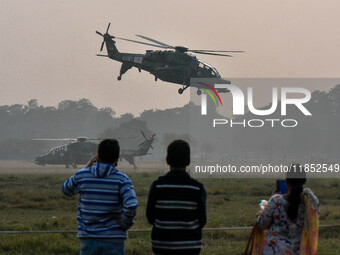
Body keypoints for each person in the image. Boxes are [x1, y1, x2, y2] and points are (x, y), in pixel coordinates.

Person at [62, 139, 138, 255]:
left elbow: (66, 190)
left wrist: (86, 167)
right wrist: (125, 224)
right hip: (114, 240)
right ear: (117, 158)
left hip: (88, 239)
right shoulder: (122, 180)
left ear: (97, 156)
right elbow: (131, 205)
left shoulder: (82, 175)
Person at [146, 140, 207, 255]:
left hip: (162, 246)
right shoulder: (197, 188)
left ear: (167, 160)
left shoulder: (157, 186)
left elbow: (150, 217)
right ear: (188, 161)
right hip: (190, 247)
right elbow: (202, 220)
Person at [255, 164, 319, 255]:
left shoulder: (276, 200)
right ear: (304, 181)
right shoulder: (311, 202)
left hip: (274, 251)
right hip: (298, 251)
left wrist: (261, 214)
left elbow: (262, 224)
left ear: (286, 181)